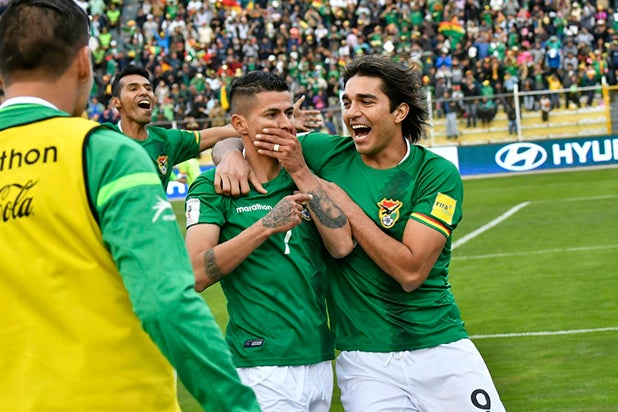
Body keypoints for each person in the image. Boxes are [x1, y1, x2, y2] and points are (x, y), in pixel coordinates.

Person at [0, 1, 260, 411]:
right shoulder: (105, 152)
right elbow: (166, 300)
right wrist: (237, 405)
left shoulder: (139, 143)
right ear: (83, 62)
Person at [213, 56, 505, 411]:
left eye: (366, 101)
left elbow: (411, 272)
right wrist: (229, 156)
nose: (352, 113)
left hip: (439, 348)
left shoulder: (434, 173)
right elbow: (244, 134)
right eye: (347, 102)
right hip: (365, 363)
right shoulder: (325, 153)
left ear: (399, 112)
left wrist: (343, 204)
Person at [184, 70, 353, 411]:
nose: (286, 123)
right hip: (259, 363)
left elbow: (341, 245)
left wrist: (300, 171)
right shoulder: (214, 187)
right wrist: (265, 226)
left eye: (288, 112)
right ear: (240, 124)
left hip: (319, 358)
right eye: (272, 114)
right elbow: (194, 274)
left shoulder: (305, 172)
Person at [105, 65, 324, 188]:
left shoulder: (166, 140)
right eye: (133, 89)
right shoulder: (102, 139)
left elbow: (226, 131)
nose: (144, 92)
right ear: (116, 102)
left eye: (148, 88)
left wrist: (282, 122)